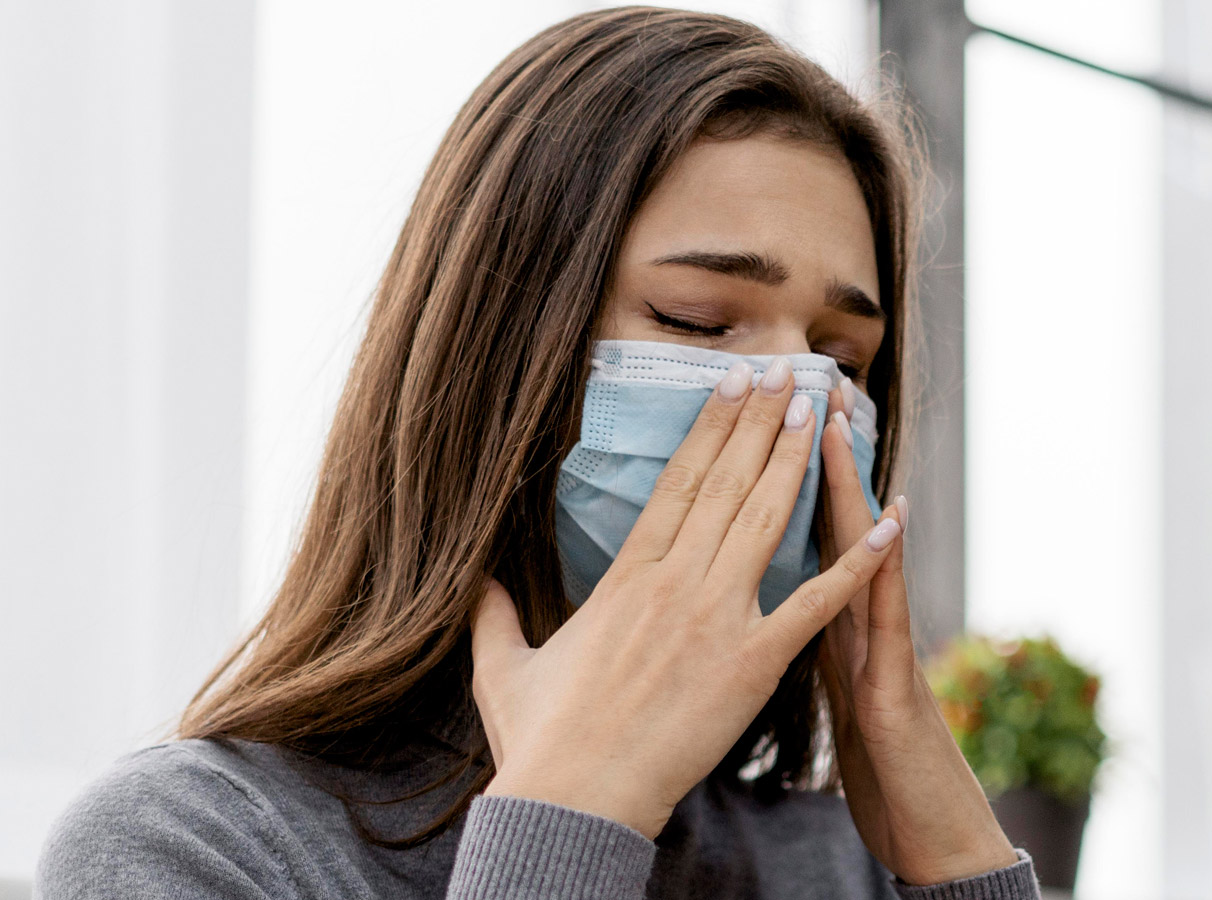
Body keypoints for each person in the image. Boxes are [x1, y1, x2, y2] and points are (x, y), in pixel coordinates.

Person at [34, 7, 1042, 899]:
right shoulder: (192, 846)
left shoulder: (846, 863)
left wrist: (959, 861)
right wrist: (571, 817)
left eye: (840, 358)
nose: (795, 401)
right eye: (695, 320)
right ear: (497, 349)